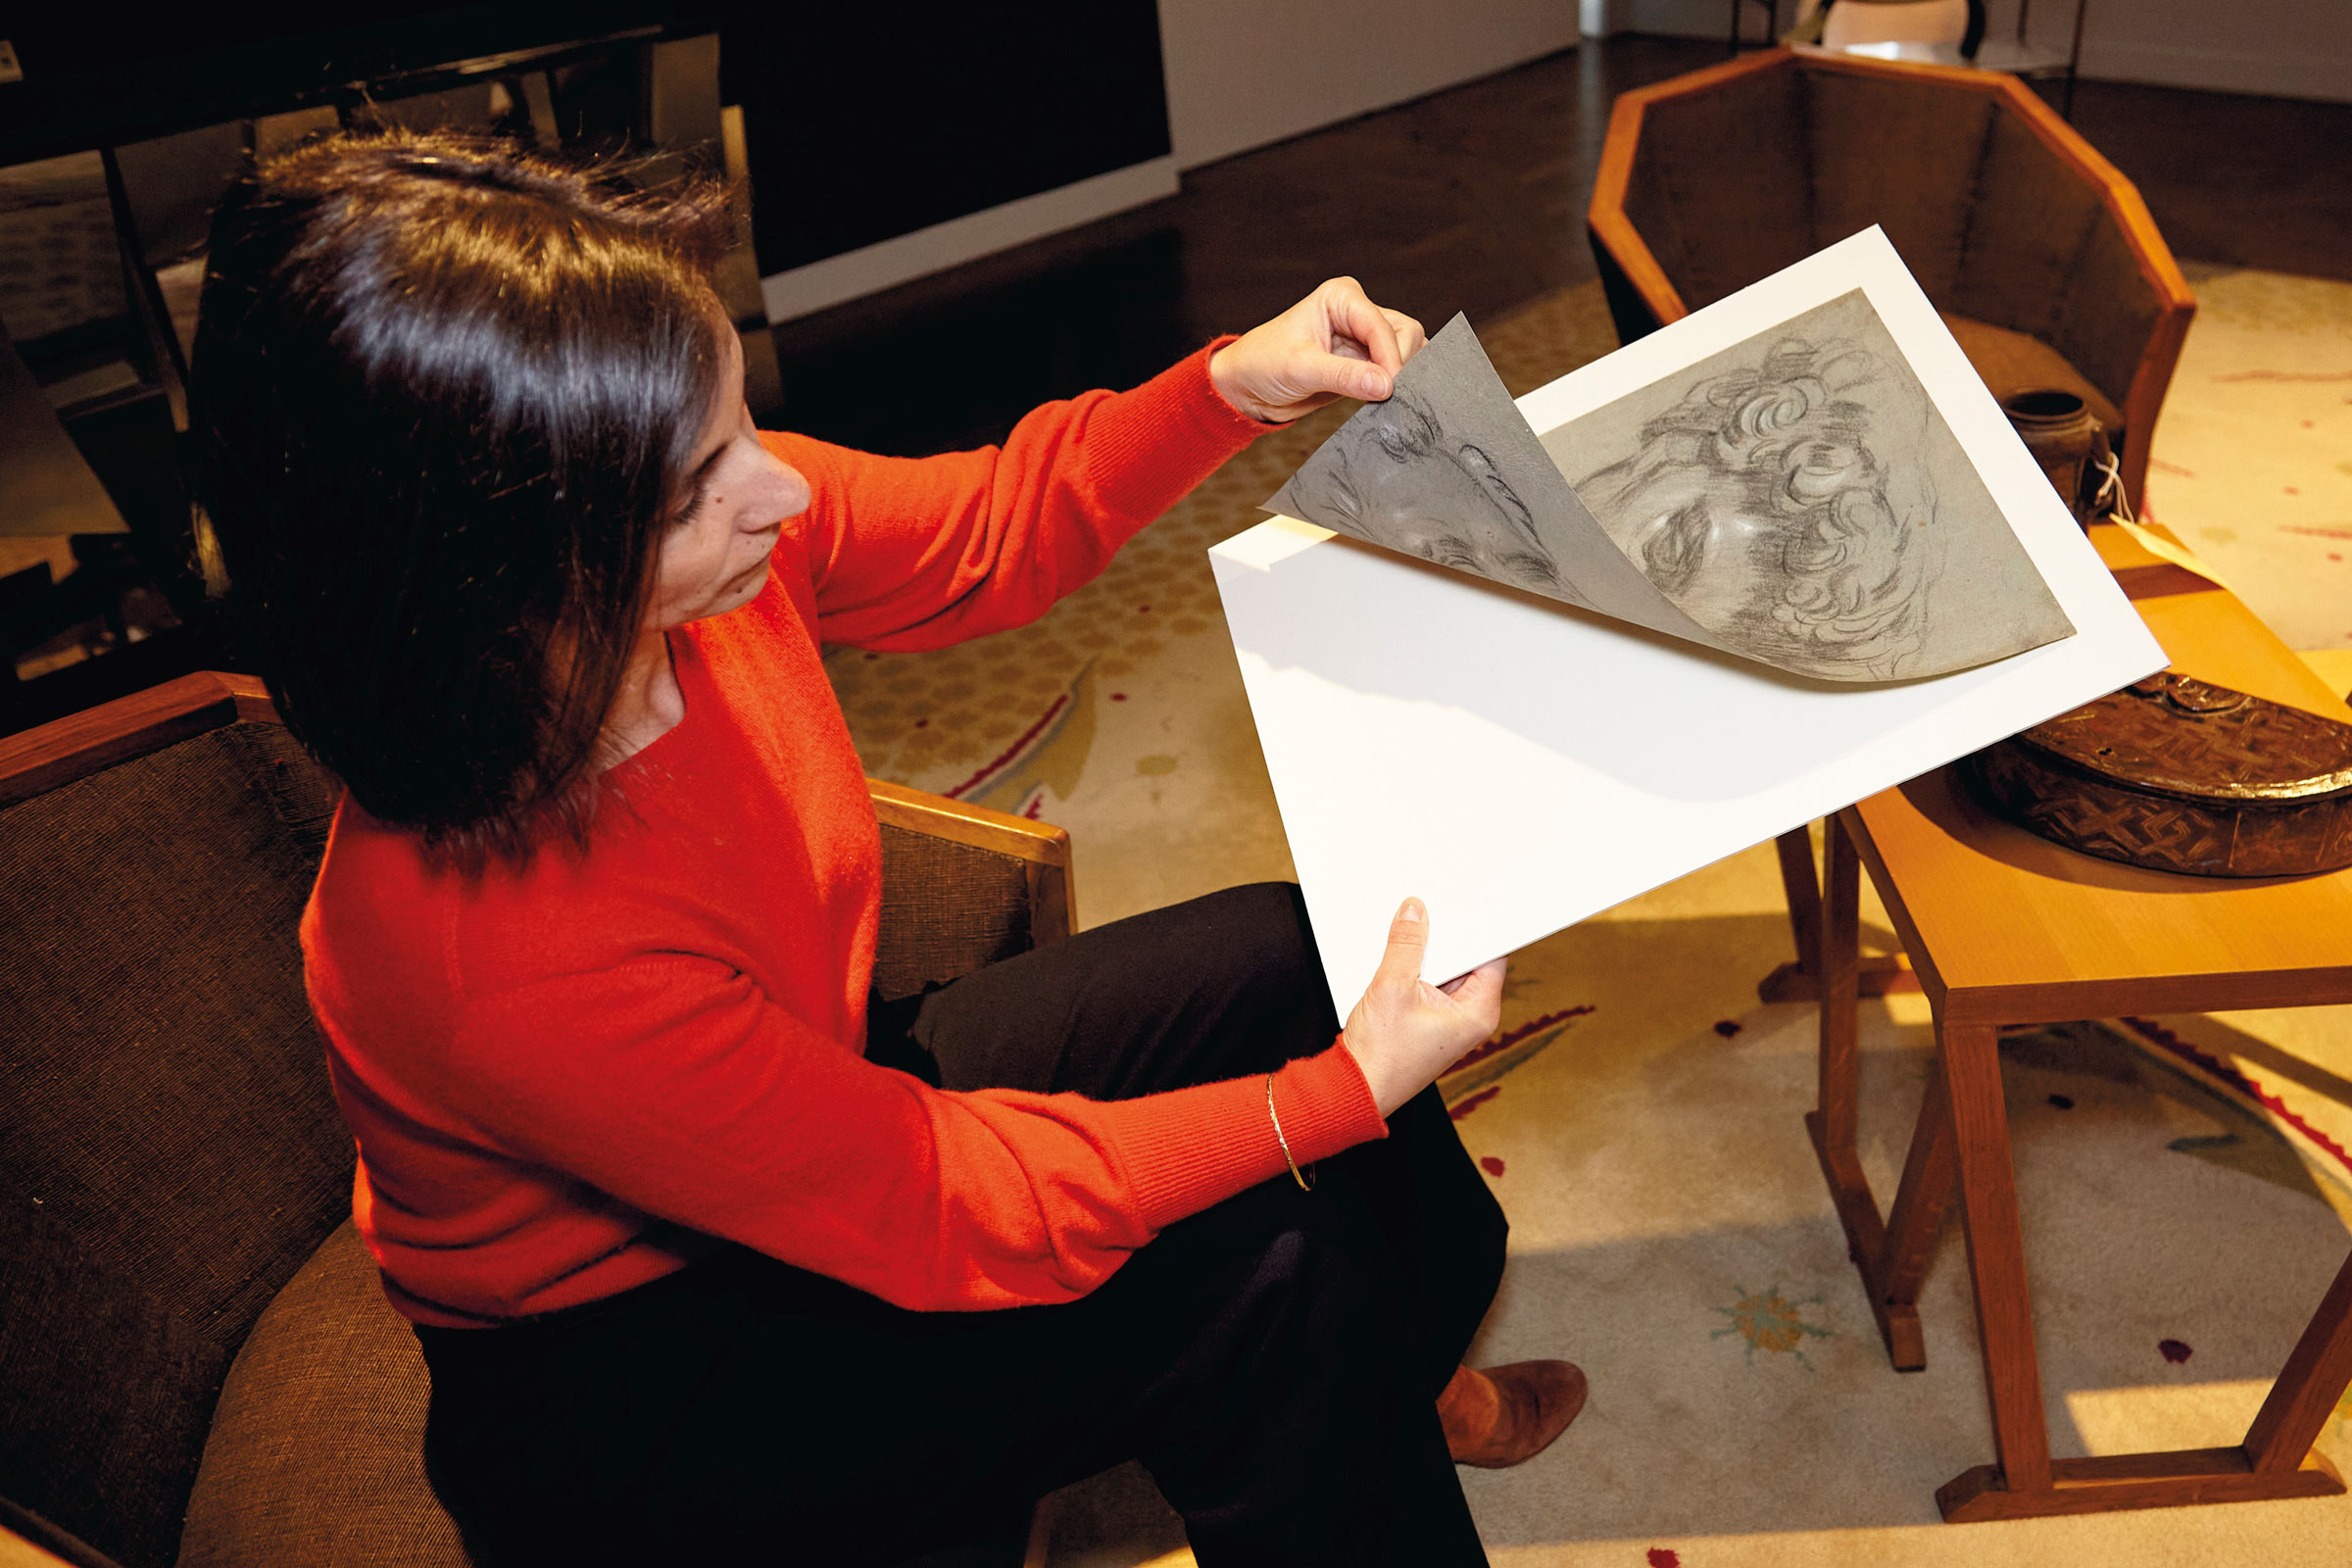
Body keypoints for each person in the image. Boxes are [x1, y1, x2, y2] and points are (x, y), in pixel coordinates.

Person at [190, 129, 1585, 1568]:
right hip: (644, 1360)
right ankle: (1348, 1397)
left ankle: (1404, 1376)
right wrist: (1328, 1100)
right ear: (501, 578)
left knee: (1293, 946)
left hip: (809, 1103)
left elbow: (989, 529)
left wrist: (1230, 386)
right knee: (1267, 1272)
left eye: (736, 424)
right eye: (696, 486)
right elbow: (938, 1198)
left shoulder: (672, 551)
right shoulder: (486, 957)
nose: (778, 494)